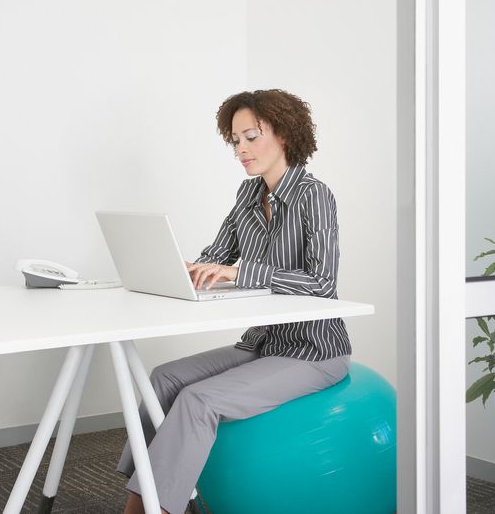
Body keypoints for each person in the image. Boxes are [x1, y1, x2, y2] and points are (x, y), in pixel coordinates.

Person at [118, 89, 352, 514]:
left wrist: (241, 272)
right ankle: (146, 494)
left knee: (198, 400)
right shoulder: (247, 196)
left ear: (283, 134)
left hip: (314, 351)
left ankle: (152, 507)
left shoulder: (315, 196)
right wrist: (183, 268)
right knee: (164, 379)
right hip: (261, 343)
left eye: (249, 137)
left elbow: (321, 282)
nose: (240, 150)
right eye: (235, 141)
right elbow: (216, 258)